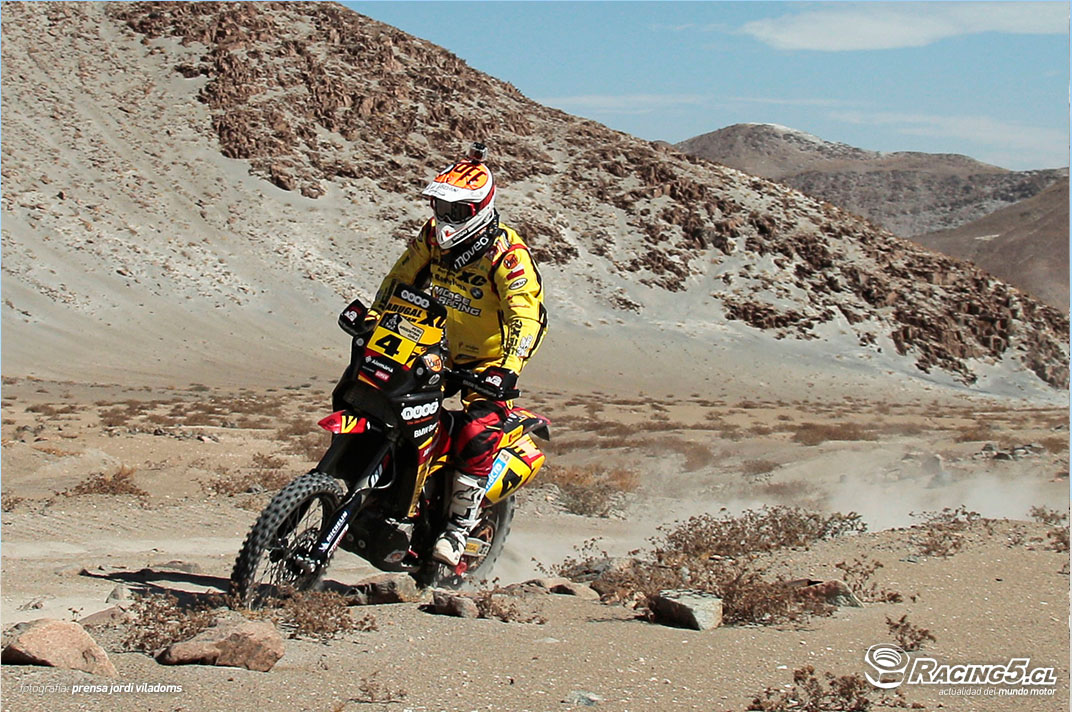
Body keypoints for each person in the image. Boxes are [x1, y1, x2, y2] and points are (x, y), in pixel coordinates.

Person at [370, 142, 547, 567]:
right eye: (440, 207)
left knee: (476, 432)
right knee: (386, 398)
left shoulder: (506, 254)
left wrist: (508, 368)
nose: (446, 219)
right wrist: (374, 316)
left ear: (482, 208)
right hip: (435, 347)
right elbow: (400, 278)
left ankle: (456, 530)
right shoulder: (432, 237)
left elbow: (528, 315)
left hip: (488, 364)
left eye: (457, 211)